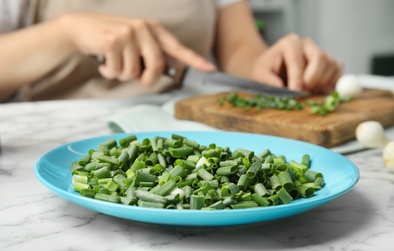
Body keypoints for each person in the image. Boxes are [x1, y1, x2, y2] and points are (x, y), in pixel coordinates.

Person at [0, 0, 342, 102]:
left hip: (181, 129)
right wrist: (66, 33)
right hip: (51, 143)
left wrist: (273, 65)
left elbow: (241, 53)